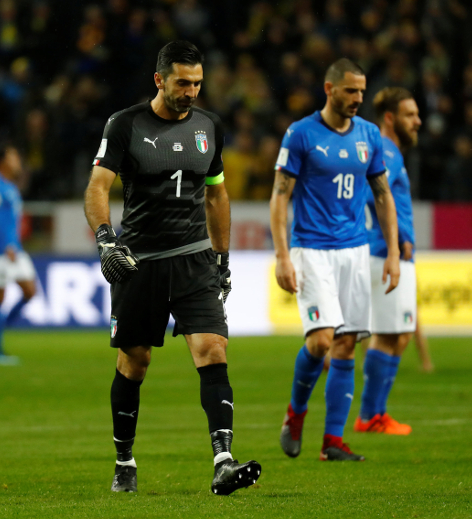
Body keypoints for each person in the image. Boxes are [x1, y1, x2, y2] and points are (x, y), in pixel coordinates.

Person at [83, 41, 261, 495]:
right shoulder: (125, 125)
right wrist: (106, 240)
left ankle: (224, 461)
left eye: (198, 82)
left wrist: (221, 260)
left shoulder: (209, 127)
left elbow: (217, 195)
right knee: (134, 361)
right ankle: (124, 459)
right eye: (183, 82)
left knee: (212, 350)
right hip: (139, 263)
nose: (192, 91)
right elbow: (98, 187)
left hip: (194, 260)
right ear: (160, 80)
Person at [272, 58, 400, 462]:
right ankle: (296, 413)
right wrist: (281, 256)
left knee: (346, 345)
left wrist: (393, 252)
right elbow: (280, 196)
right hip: (311, 249)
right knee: (322, 340)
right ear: (329, 90)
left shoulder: (369, 135)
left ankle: (333, 441)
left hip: (355, 250)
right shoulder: (301, 135)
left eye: (361, 91)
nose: (358, 98)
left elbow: (382, 195)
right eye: (350, 91)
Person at [354, 87, 421, 435]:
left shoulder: (388, 151)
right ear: (391, 118)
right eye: (410, 115)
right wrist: (393, 244)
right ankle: (370, 415)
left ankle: (376, 413)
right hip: (384, 254)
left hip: (390, 252)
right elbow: (369, 194)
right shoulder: (388, 151)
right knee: (386, 335)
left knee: (401, 334)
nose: (418, 121)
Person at [0, 144, 36, 366]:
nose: (17, 160)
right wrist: (8, 245)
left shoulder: (8, 186)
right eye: (13, 156)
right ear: (2, 161)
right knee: (0, 297)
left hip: (13, 248)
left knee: (30, 292)